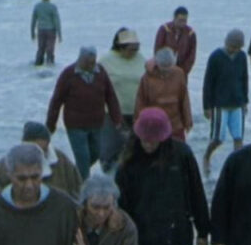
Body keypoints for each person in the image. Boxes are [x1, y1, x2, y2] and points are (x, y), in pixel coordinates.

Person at [115, 108, 210, 245]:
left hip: (179, 237)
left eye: (153, 140)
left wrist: (204, 231)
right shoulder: (127, 164)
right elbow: (121, 209)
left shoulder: (183, 155)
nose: (148, 143)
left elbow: (196, 193)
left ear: (164, 137)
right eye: (144, 139)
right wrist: (121, 244)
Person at [48, 46, 125, 179]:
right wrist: (50, 124)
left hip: (96, 123)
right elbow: (57, 100)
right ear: (80, 59)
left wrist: (117, 120)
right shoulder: (69, 74)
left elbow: (110, 96)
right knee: (83, 158)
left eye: (93, 61)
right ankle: (82, 189)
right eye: (88, 62)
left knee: (95, 153)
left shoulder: (101, 72)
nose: (91, 65)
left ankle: (72, 176)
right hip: (75, 125)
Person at [0, 121, 85, 200]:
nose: (36, 156)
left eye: (42, 151)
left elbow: (79, 194)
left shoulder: (63, 164)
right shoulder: (4, 167)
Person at [98, 28, 146, 171]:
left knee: (134, 147)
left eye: (136, 49)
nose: (134, 52)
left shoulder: (141, 59)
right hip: (111, 114)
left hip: (136, 112)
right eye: (130, 49)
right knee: (111, 146)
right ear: (120, 47)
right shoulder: (106, 61)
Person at [202, 29, 249, 175]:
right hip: (220, 105)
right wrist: (207, 106)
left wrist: (245, 101)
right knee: (218, 139)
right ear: (226, 42)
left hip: (238, 103)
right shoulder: (216, 56)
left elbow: (244, 78)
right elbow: (208, 82)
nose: (234, 50)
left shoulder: (242, 56)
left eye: (237, 47)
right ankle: (206, 157)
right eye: (232, 46)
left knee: (238, 139)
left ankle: (238, 166)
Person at [135, 48, 193, 141]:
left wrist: (188, 121)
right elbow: (140, 102)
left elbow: (184, 99)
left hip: (176, 124)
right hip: (155, 123)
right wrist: (139, 123)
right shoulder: (147, 78)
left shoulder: (179, 74)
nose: (167, 72)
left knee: (178, 151)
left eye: (169, 68)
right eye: (163, 68)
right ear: (157, 64)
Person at [154, 5, 198, 76]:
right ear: (174, 18)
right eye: (180, 20)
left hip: (182, 71)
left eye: (185, 21)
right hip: (164, 70)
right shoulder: (164, 29)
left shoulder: (190, 34)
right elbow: (158, 50)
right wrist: (162, 68)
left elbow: (191, 56)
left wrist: (183, 72)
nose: (183, 23)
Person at [31, 0, 63, 66]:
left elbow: (33, 21)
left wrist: (32, 32)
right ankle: (50, 63)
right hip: (51, 31)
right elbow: (57, 21)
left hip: (41, 30)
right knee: (50, 49)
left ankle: (38, 63)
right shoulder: (52, 7)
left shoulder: (37, 6)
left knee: (40, 48)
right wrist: (60, 34)